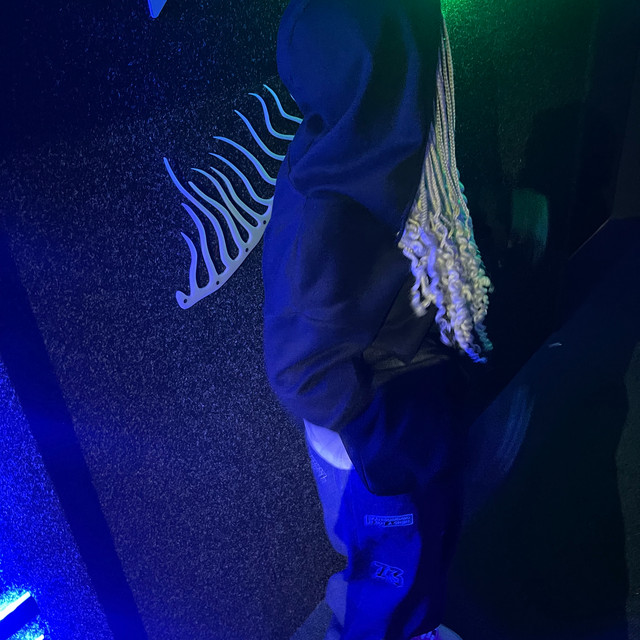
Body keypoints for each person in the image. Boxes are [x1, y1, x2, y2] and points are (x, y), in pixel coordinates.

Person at [262, 0, 494, 638]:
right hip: (374, 425)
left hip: (410, 400)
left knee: (426, 545)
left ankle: (415, 624)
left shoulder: (400, 169)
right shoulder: (329, 207)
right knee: (389, 573)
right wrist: (374, 424)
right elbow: (297, 369)